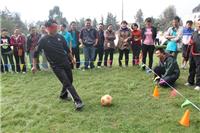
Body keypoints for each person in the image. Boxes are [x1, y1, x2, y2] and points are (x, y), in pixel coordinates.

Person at [31, 19, 84, 110]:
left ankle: (63, 95)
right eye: (53, 27)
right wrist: (34, 66)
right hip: (56, 66)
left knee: (69, 81)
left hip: (66, 62)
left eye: (56, 27)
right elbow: (35, 54)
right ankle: (78, 101)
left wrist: (72, 59)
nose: (55, 29)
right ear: (48, 28)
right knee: (67, 82)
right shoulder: (43, 40)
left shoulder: (60, 37)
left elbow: (67, 50)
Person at [185, 19, 200, 91]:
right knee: (191, 67)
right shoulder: (194, 33)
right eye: (198, 24)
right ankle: (190, 81)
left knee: (199, 69)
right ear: (196, 25)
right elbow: (191, 41)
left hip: (199, 54)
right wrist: (190, 42)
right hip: (192, 53)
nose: (199, 26)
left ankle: (198, 84)